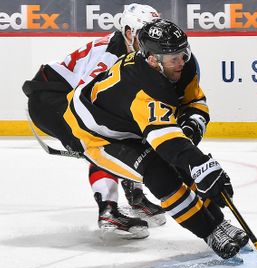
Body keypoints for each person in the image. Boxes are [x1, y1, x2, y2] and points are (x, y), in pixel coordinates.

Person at [26, 18, 248, 259]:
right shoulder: (141, 86)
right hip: (94, 135)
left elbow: (194, 101)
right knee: (159, 173)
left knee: (183, 163)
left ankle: (219, 223)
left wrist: (192, 127)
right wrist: (199, 162)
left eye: (184, 53)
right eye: (174, 58)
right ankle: (210, 231)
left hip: (128, 123)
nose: (182, 62)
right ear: (153, 60)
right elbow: (169, 143)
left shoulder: (180, 65)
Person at [23, 4, 167, 239]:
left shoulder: (132, 51)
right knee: (101, 141)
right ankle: (108, 211)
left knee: (128, 133)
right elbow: (86, 101)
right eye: (145, 33)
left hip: (61, 96)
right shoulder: (112, 55)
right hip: (51, 101)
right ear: (129, 32)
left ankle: (135, 197)